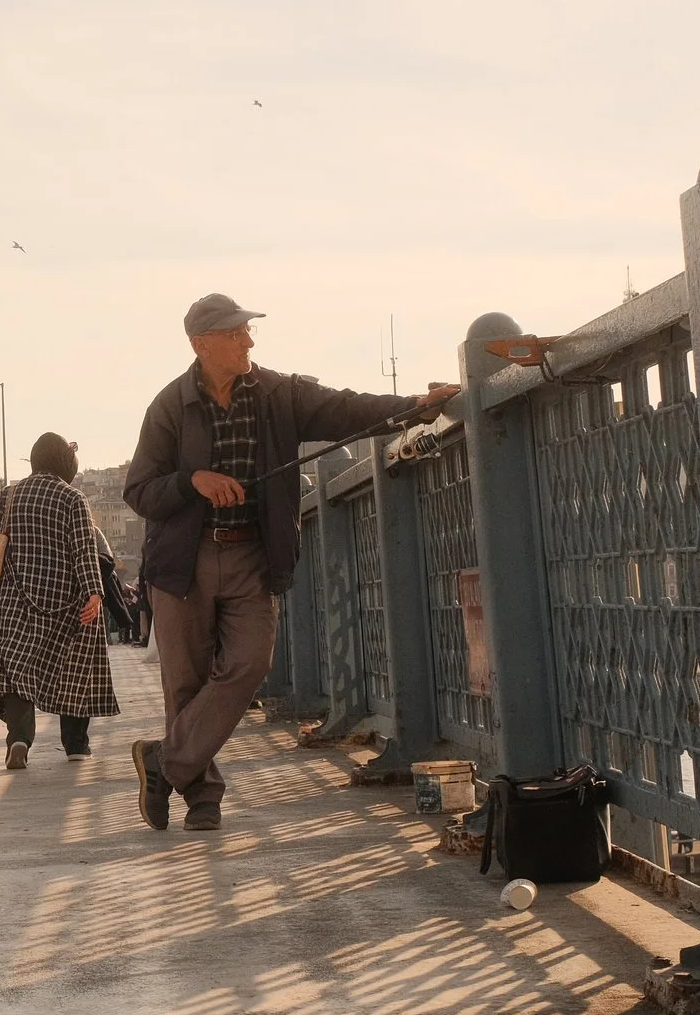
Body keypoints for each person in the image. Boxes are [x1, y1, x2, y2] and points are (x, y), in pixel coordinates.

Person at [125, 293, 457, 831]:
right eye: (235, 333)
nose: (248, 341)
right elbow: (139, 491)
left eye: (247, 331)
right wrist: (192, 482)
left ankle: (164, 761)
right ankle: (202, 796)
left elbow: (345, 408)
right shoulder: (168, 407)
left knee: (250, 663)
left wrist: (414, 406)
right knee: (186, 683)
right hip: (183, 563)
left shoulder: (279, 393)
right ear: (201, 344)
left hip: (251, 554)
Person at [0, 433, 118, 769]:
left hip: (13, 600)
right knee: (75, 667)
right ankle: (76, 745)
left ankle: (19, 738)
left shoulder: (8, 496)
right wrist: (94, 592)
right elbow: (84, 551)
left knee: (15, 670)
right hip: (66, 601)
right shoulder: (73, 498)